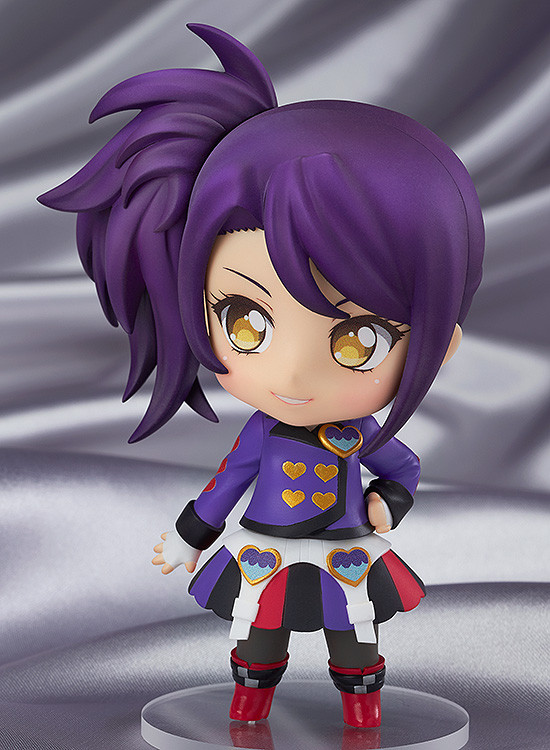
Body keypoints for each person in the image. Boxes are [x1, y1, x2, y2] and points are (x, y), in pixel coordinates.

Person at [38, 23, 484, 728]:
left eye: (357, 339)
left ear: (440, 344)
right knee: (257, 636)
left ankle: (361, 715)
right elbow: (226, 484)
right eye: (246, 320)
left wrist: (388, 502)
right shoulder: (262, 433)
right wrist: (189, 535)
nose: (293, 373)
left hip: (344, 553)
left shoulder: (360, 431)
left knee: (355, 638)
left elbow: (402, 466)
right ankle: (248, 711)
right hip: (266, 550)